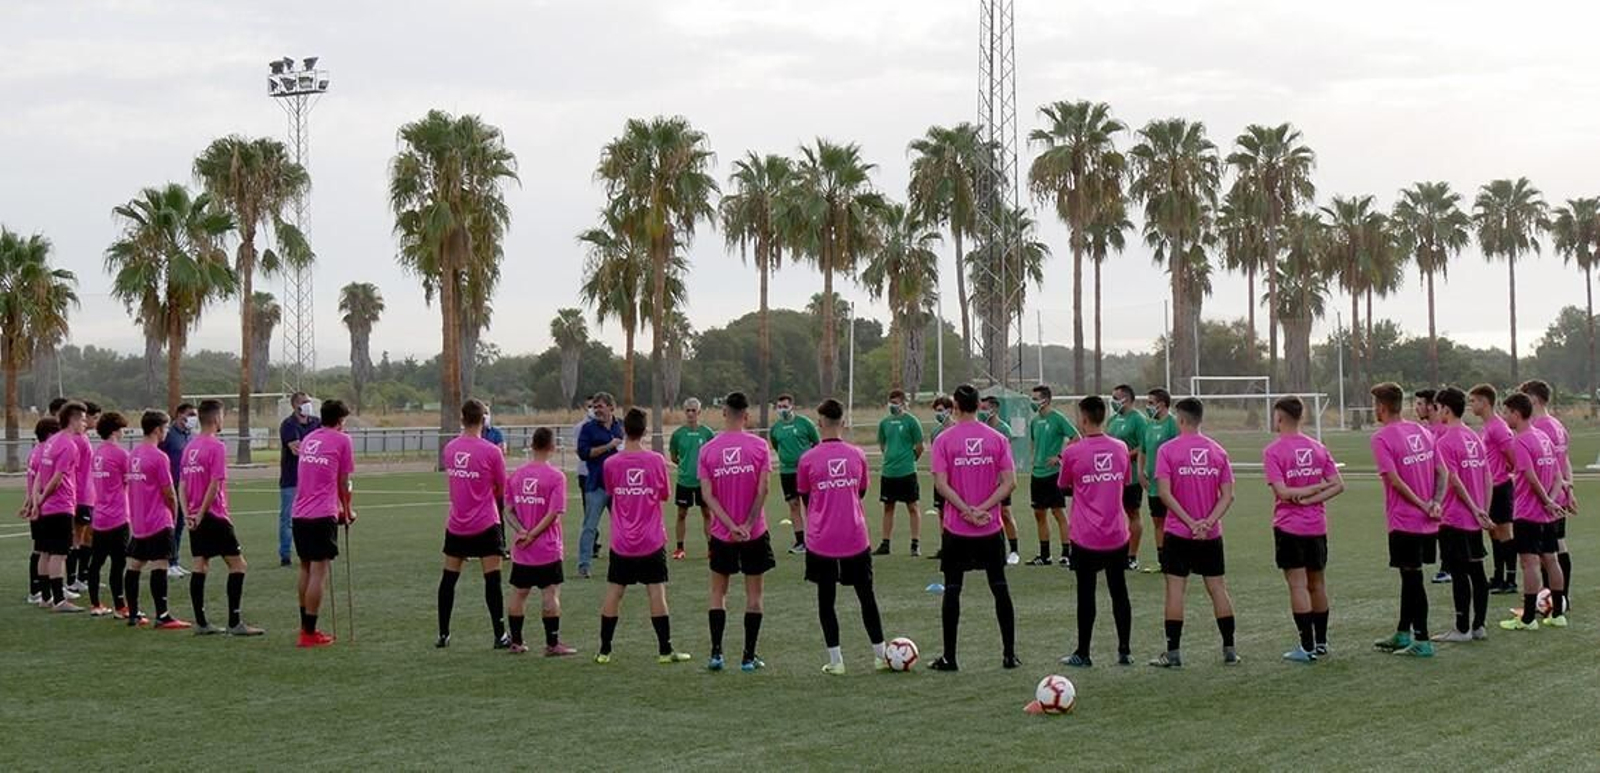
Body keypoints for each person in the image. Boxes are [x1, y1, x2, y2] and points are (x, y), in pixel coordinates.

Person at [927, 384, 1019, 672]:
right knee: (1000, 588)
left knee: (952, 589)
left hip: (957, 528)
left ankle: (950, 658)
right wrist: (984, 508)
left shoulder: (944, 439)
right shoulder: (998, 438)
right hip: (989, 527)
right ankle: (1009, 655)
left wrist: (965, 510)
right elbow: (1010, 482)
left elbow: (941, 485)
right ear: (980, 405)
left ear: (954, 406)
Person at [594, 408, 692, 665]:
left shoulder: (611, 463)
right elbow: (663, 495)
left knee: (614, 593)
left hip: (622, 541)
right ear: (645, 430)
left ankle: (604, 651)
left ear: (624, 430)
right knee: (656, 593)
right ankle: (664, 650)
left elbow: (612, 491)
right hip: (651, 540)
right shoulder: (656, 461)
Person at [797, 398, 887, 675]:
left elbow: (805, 497)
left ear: (820, 423)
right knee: (866, 596)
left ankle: (837, 662)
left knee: (826, 600)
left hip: (821, 539)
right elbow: (860, 491)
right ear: (843, 423)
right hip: (855, 536)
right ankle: (880, 657)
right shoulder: (857, 454)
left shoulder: (807, 459)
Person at [1150, 397, 1239, 667]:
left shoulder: (1168, 450)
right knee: (1218, 588)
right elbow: (1228, 496)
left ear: (1181, 419)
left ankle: (1173, 653)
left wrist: (1190, 523)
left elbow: (1164, 493)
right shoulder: (1218, 451)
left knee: (1175, 590)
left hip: (1178, 532)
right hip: (1210, 534)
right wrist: (1207, 522)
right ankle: (1230, 650)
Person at [697, 392, 776, 672]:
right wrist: (747, 524)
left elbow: (707, 495)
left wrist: (730, 526)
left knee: (718, 592)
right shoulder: (759, 446)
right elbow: (763, 489)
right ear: (746, 415)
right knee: (754, 595)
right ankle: (747, 656)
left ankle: (716, 653)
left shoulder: (708, 449)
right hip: (754, 533)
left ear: (724, 413)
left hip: (721, 534)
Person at [1263, 396, 1344, 662]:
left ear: (1280, 417)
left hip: (1290, 527)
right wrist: (1313, 493)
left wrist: (1304, 496)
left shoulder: (1274, 451)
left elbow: (1284, 493)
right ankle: (1321, 643)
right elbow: (1336, 484)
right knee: (1317, 584)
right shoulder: (1318, 448)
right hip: (1316, 527)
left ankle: (1307, 646)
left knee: (1298, 585)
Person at [1368, 383, 1446, 658]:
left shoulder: (1381, 438)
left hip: (1405, 520)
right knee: (1408, 575)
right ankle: (1403, 632)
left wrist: (1423, 504)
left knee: (1413, 578)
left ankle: (1422, 640)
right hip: (1429, 520)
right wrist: (1435, 502)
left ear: (1381, 406)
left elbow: (1395, 481)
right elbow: (1442, 472)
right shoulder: (1423, 431)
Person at [1057, 395, 1133, 667]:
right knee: (1119, 591)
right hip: (1116, 533)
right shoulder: (1121, 448)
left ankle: (1084, 652)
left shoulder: (1073, 451)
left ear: (1084, 418)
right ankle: (1124, 651)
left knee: (1086, 594)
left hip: (1086, 535)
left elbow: (1064, 484)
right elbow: (1124, 480)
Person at [182, 399, 264, 637]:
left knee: (200, 564)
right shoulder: (216, 447)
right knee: (238, 565)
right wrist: (201, 512)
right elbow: (215, 484)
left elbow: (182, 483)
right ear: (217, 419)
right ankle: (234, 622)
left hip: (195, 516)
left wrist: (188, 512)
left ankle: (201, 622)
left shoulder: (190, 447)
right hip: (213, 515)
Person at [436, 399, 510, 648]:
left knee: (449, 579)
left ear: (461, 418)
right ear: (483, 420)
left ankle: (443, 633)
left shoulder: (450, 448)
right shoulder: (491, 451)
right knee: (492, 581)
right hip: (486, 523)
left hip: (457, 523)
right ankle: (500, 634)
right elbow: (501, 488)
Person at [1500, 392, 1569, 630]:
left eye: (1506, 412)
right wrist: (1550, 500)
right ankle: (1558, 614)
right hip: (1546, 514)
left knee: (1529, 563)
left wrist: (1545, 501)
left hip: (1528, 512)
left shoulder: (1520, 440)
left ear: (1516, 414)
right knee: (1551, 560)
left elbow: (1529, 477)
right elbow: (1558, 476)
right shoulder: (1542, 437)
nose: (1504, 416)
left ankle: (1528, 619)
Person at [505, 427, 576, 656]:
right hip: (546, 548)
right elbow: (553, 513)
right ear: (552, 448)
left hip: (522, 548)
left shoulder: (516, 475)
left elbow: (508, 510)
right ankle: (552, 644)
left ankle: (516, 642)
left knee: (519, 593)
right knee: (550, 594)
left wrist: (522, 531)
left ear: (532, 445)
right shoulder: (556, 477)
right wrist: (533, 534)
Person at [290, 399, 355, 649]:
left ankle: (305, 626)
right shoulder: (342, 440)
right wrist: (347, 511)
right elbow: (343, 481)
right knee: (319, 570)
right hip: (321, 514)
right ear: (340, 420)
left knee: (305, 568)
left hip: (300, 513)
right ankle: (309, 632)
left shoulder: (310, 438)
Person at [1430, 387, 1492, 643]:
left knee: (1459, 573)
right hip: (1475, 519)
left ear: (1445, 409)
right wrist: (1483, 510)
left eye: (1437, 407)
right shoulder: (1474, 436)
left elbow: (1453, 480)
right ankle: (1479, 626)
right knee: (1477, 572)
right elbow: (1488, 476)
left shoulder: (1445, 441)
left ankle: (1462, 628)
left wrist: (1475, 509)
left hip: (1456, 517)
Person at [123, 411, 190, 629]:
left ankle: (133, 613)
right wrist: (175, 513)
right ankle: (162, 615)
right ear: (157, 429)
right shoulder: (159, 456)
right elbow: (169, 492)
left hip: (140, 521)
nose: (167, 431)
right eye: (166, 427)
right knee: (159, 564)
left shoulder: (133, 454)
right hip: (158, 519)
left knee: (134, 565)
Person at [1519, 380, 1575, 607]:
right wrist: (1569, 488)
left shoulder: (1540, 428)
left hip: (1545, 498)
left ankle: (1558, 598)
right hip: (1557, 493)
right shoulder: (1558, 425)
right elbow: (1566, 461)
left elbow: (1550, 466)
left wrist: (1551, 497)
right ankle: (1557, 598)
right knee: (1555, 547)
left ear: (1532, 399)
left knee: (1546, 552)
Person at [29, 401, 85, 612]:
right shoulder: (69, 445)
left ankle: (46, 597)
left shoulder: (50, 442)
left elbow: (38, 477)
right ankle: (60, 600)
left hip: (45, 508)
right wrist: (42, 499)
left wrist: (37, 502)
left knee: (44, 552)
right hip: (60, 506)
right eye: (83, 419)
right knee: (59, 554)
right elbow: (57, 478)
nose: (85, 424)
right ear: (73, 419)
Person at [1469, 384, 1520, 595]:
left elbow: (1513, 456)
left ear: (1484, 402)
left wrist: (1506, 472)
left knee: (1505, 532)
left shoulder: (1498, 426)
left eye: (1473, 401)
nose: (1470, 405)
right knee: (1494, 533)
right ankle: (1498, 576)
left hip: (1500, 486)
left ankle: (1510, 579)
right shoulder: (1488, 426)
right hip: (1491, 487)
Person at [1025, 384, 1076, 568]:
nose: (1033, 401)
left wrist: (1060, 457)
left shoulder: (1058, 418)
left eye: (1035, 398)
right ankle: (1044, 555)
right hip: (1037, 473)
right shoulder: (1034, 421)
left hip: (1054, 474)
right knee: (1039, 513)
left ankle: (1066, 553)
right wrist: (1033, 460)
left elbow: (1076, 438)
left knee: (1058, 512)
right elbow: (1033, 441)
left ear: (1045, 400)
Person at [86, 412, 132, 617]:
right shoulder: (120, 454)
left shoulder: (97, 453)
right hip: (118, 516)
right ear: (115, 431)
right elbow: (129, 481)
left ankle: (95, 604)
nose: (123, 433)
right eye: (122, 429)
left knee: (96, 562)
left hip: (100, 516)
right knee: (118, 563)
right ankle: (120, 607)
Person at [577, 392, 624, 580]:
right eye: (594, 407)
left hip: (618, 485)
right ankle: (584, 565)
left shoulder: (620, 426)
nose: (597, 410)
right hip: (596, 484)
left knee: (621, 526)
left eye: (600, 406)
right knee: (590, 526)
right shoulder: (588, 429)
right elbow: (584, 453)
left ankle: (622, 562)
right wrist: (608, 446)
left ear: (611, 407)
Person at [874, 389, 925, 557]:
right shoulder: (884, 423)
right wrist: (891, 458)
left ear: (904, 404)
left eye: (896, 403)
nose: (892, 406)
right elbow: (883, 445)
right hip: (889, 472)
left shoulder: (912, 421)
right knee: (888, 508)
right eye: (891, 402)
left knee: (912, 507)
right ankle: (885, 543)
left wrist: (910, 460)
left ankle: (915, 544)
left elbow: (920, 446)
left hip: (907, 472)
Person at [770, 394, 820, 555]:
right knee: (793, 505)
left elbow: (817, 443)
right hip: (786, 472)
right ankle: (800, 541)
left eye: (785, 406)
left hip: (805, 472)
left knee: (810, 505)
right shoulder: (775, 428)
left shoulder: (804, 423)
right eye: (780, 407)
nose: (782, 410)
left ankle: (815, 539)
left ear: (792, 406)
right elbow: (777, 446)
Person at [1107, 385, 1149, 572]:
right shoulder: (1113, 420)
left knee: (1132, 513)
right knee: (1112, 513)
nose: (1113, 400)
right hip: (1112, 476)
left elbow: (1144, 445)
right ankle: (1114, 552)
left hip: (1130, 475)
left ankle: (1131, 556)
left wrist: (1125, 456)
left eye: (1116, 397)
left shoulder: (1139, 420)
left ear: (1127, 399)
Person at [668, 397, 715, 560]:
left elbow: (713, 456)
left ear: (699, 412)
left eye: (693, 410)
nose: (690, 414)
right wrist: (685, 466)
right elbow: (674, 457)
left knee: (707, 514)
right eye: (687, 410)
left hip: (703, 482)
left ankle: (711, 548)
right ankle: (680, 548)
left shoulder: (707, 433)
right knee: (681, 514)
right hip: (684, 481)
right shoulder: (677, 434)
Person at [279, 391, 322, 568]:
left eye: (309, 401)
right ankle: (285, 554)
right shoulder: (288, 425)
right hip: (292, 479)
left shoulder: (316, 423)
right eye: (304, 402)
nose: (308, 404)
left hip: (313, 479)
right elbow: (296, 449)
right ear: (295, 405)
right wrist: (313, 447)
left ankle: (312, 551)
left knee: (314, 517)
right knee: (288, 518)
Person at [1140, 388, 1180, 574]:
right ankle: (1163, 561)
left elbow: (1180, 451)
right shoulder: (1148, 424)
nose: (1147, 406)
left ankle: (1179, 559)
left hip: (1170, 484)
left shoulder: (1173, 424)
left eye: (1150, 402)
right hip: (1153, 485)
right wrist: (1141, 472)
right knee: (1157, 521)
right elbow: (1143, 450)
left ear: (1161, 404)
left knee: (1174, 520)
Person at [22, 417, 60, 607]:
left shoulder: (35, 452)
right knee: (43, 551)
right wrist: (35, 502)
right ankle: (37, 591)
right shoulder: (44, 454)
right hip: (43, 508)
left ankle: (40, 591)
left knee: (41, 549)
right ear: (51, 434)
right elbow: (39, 482)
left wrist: (29, 501)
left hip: (37, 506)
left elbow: (31, 481)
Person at [1414, 388, 1451, 584]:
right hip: (1429, 490)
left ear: (1430, 406)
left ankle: (1448, 567)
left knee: (1445, 529)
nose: (1416, 408)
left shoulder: (1443, 431)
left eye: (1420, 404)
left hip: (1445, 491)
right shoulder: (1425, 432)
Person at [980, 396, 1022, 564]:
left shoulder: (1003, 429)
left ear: (994, 409)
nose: (981, 412)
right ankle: (988, 550)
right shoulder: (980, 428)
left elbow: (1006, 458)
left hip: (1000, 480)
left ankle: (1014, 550)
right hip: (984, 480)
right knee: (984, 514)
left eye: (985, 408)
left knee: (1005, 513)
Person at [159, 402, 197, 577]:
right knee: (171, 524)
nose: (192, 418)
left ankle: (174, 560)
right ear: (180, 414)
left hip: (184, 485)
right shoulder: (169, 435)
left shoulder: (189, 435)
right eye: (190, 414)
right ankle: (166, 561)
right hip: (170, 484)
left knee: (180, 524)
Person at [68, 400, 101, 593]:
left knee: (88, 536)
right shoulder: (77, 439)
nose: (95, 421)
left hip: (89, 495)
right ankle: (73, 580)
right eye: (93, 417)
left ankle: (83, 576)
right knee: (78, 537)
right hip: (81, 495)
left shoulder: (84, 438)